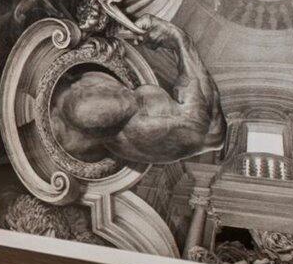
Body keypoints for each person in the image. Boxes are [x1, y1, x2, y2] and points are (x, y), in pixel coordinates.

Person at [41, 16, 225, 168]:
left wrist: (179, 39)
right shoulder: (90, 109)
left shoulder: (124, 120)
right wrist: (179, 40)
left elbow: (211, 132)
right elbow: (211, 131)